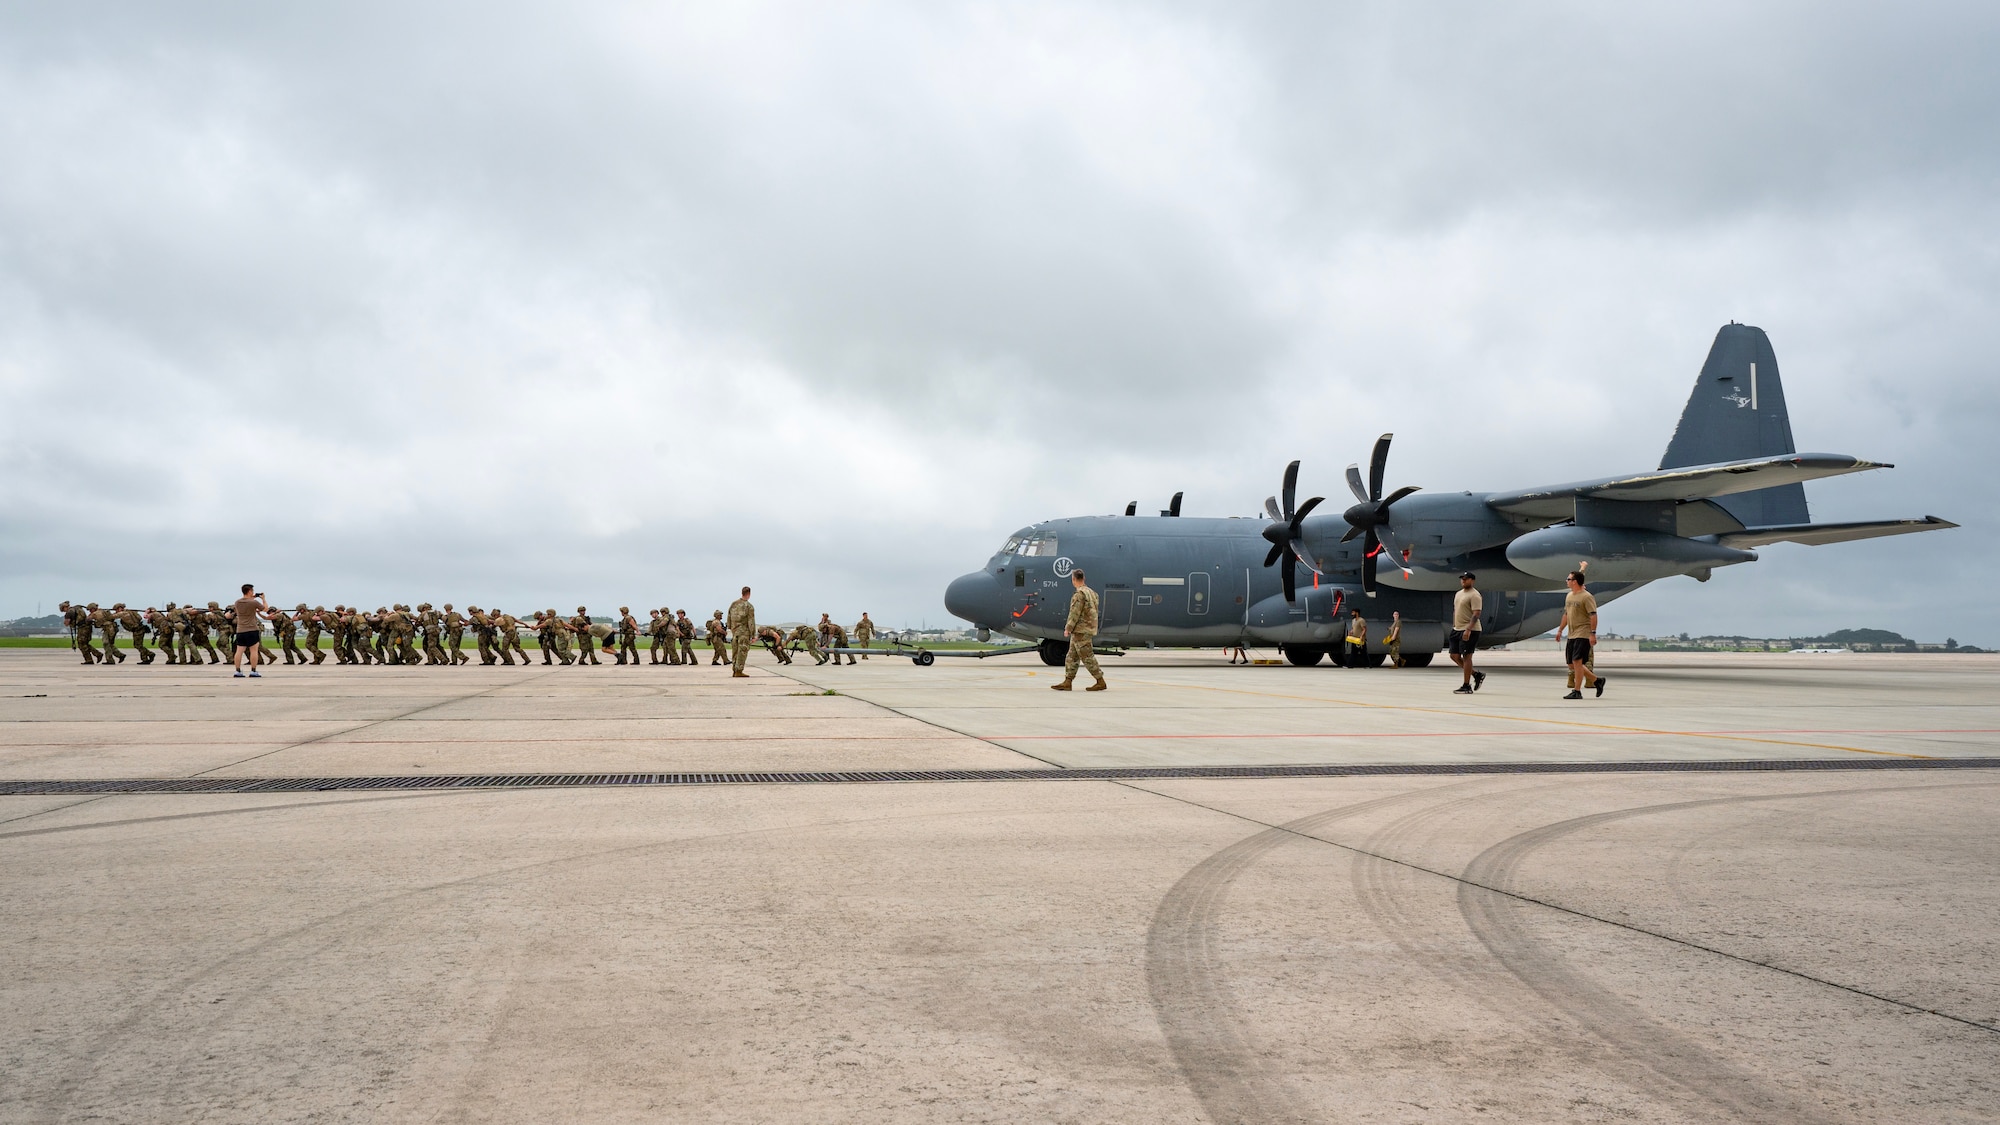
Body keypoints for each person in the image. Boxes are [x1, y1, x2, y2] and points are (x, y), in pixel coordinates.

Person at [1555, 570, 1606, 699]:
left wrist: (1593, 633)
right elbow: (1566, 614)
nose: (1566, 581)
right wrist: (1560, 630)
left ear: (1575, 581)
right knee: (1571, 664)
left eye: (1568, 579)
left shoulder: (1587, 596)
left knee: (1577, 662)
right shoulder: (1569, 596)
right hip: (1571, 633)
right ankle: (1597, 680)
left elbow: (1593, 615)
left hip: (1583, 633)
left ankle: (1577, 691)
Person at [1053, 567, 1106, 691]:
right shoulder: (1093, 593)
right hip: (1087, 629)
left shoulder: (1079, 594)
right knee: (1071, 656)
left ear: (1073, 580)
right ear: (1084, 578)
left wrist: (1068, 628)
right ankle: (1068, 681)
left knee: (1087, 656)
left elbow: (1074, 613)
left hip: (1081, 630)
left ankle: (1100, 681)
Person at [1449, 571, 1484, 694]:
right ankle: (1476, 674)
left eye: (1466, 579)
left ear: (1472, 581)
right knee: (1454, 656)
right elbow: (1456, 610)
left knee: (1467, 656)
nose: (1463, 580)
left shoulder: (1475, 595)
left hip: (1470, 630)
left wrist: (1468, 629)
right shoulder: (1458, 594)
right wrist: (1454, 625)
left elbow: (1476, 613)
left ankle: (1466, 686)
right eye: (1462, 579)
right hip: (1457, 629)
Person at [229, 584, 269, 677]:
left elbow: (245, 602)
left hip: (240, 630)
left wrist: (252, 597)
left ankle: (238, 671)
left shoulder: (237, 602)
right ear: (250, 591)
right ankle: (253, 670)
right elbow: (265, 609)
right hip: (252, 629)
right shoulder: (253, 602)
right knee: (253, 651)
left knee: (239, 651)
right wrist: (263, 599)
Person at [726, 589, 756, 677]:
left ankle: (734, 670)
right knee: (742, 651)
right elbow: (751, 621)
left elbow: (729, 618)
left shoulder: (734, 604)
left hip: (735, 632)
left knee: (735, 651)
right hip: (744, 632)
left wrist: (731, 628)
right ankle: (739, 671)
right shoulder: (749, 606)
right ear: (749, 594)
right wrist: (753, 635)